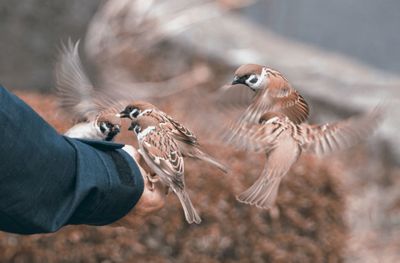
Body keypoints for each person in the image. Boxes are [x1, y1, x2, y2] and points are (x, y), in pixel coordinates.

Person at [0, 85, 166, 234]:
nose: (111, 131)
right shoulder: (87, 116)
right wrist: (115, 181)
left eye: (115, 129)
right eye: (108, 127)